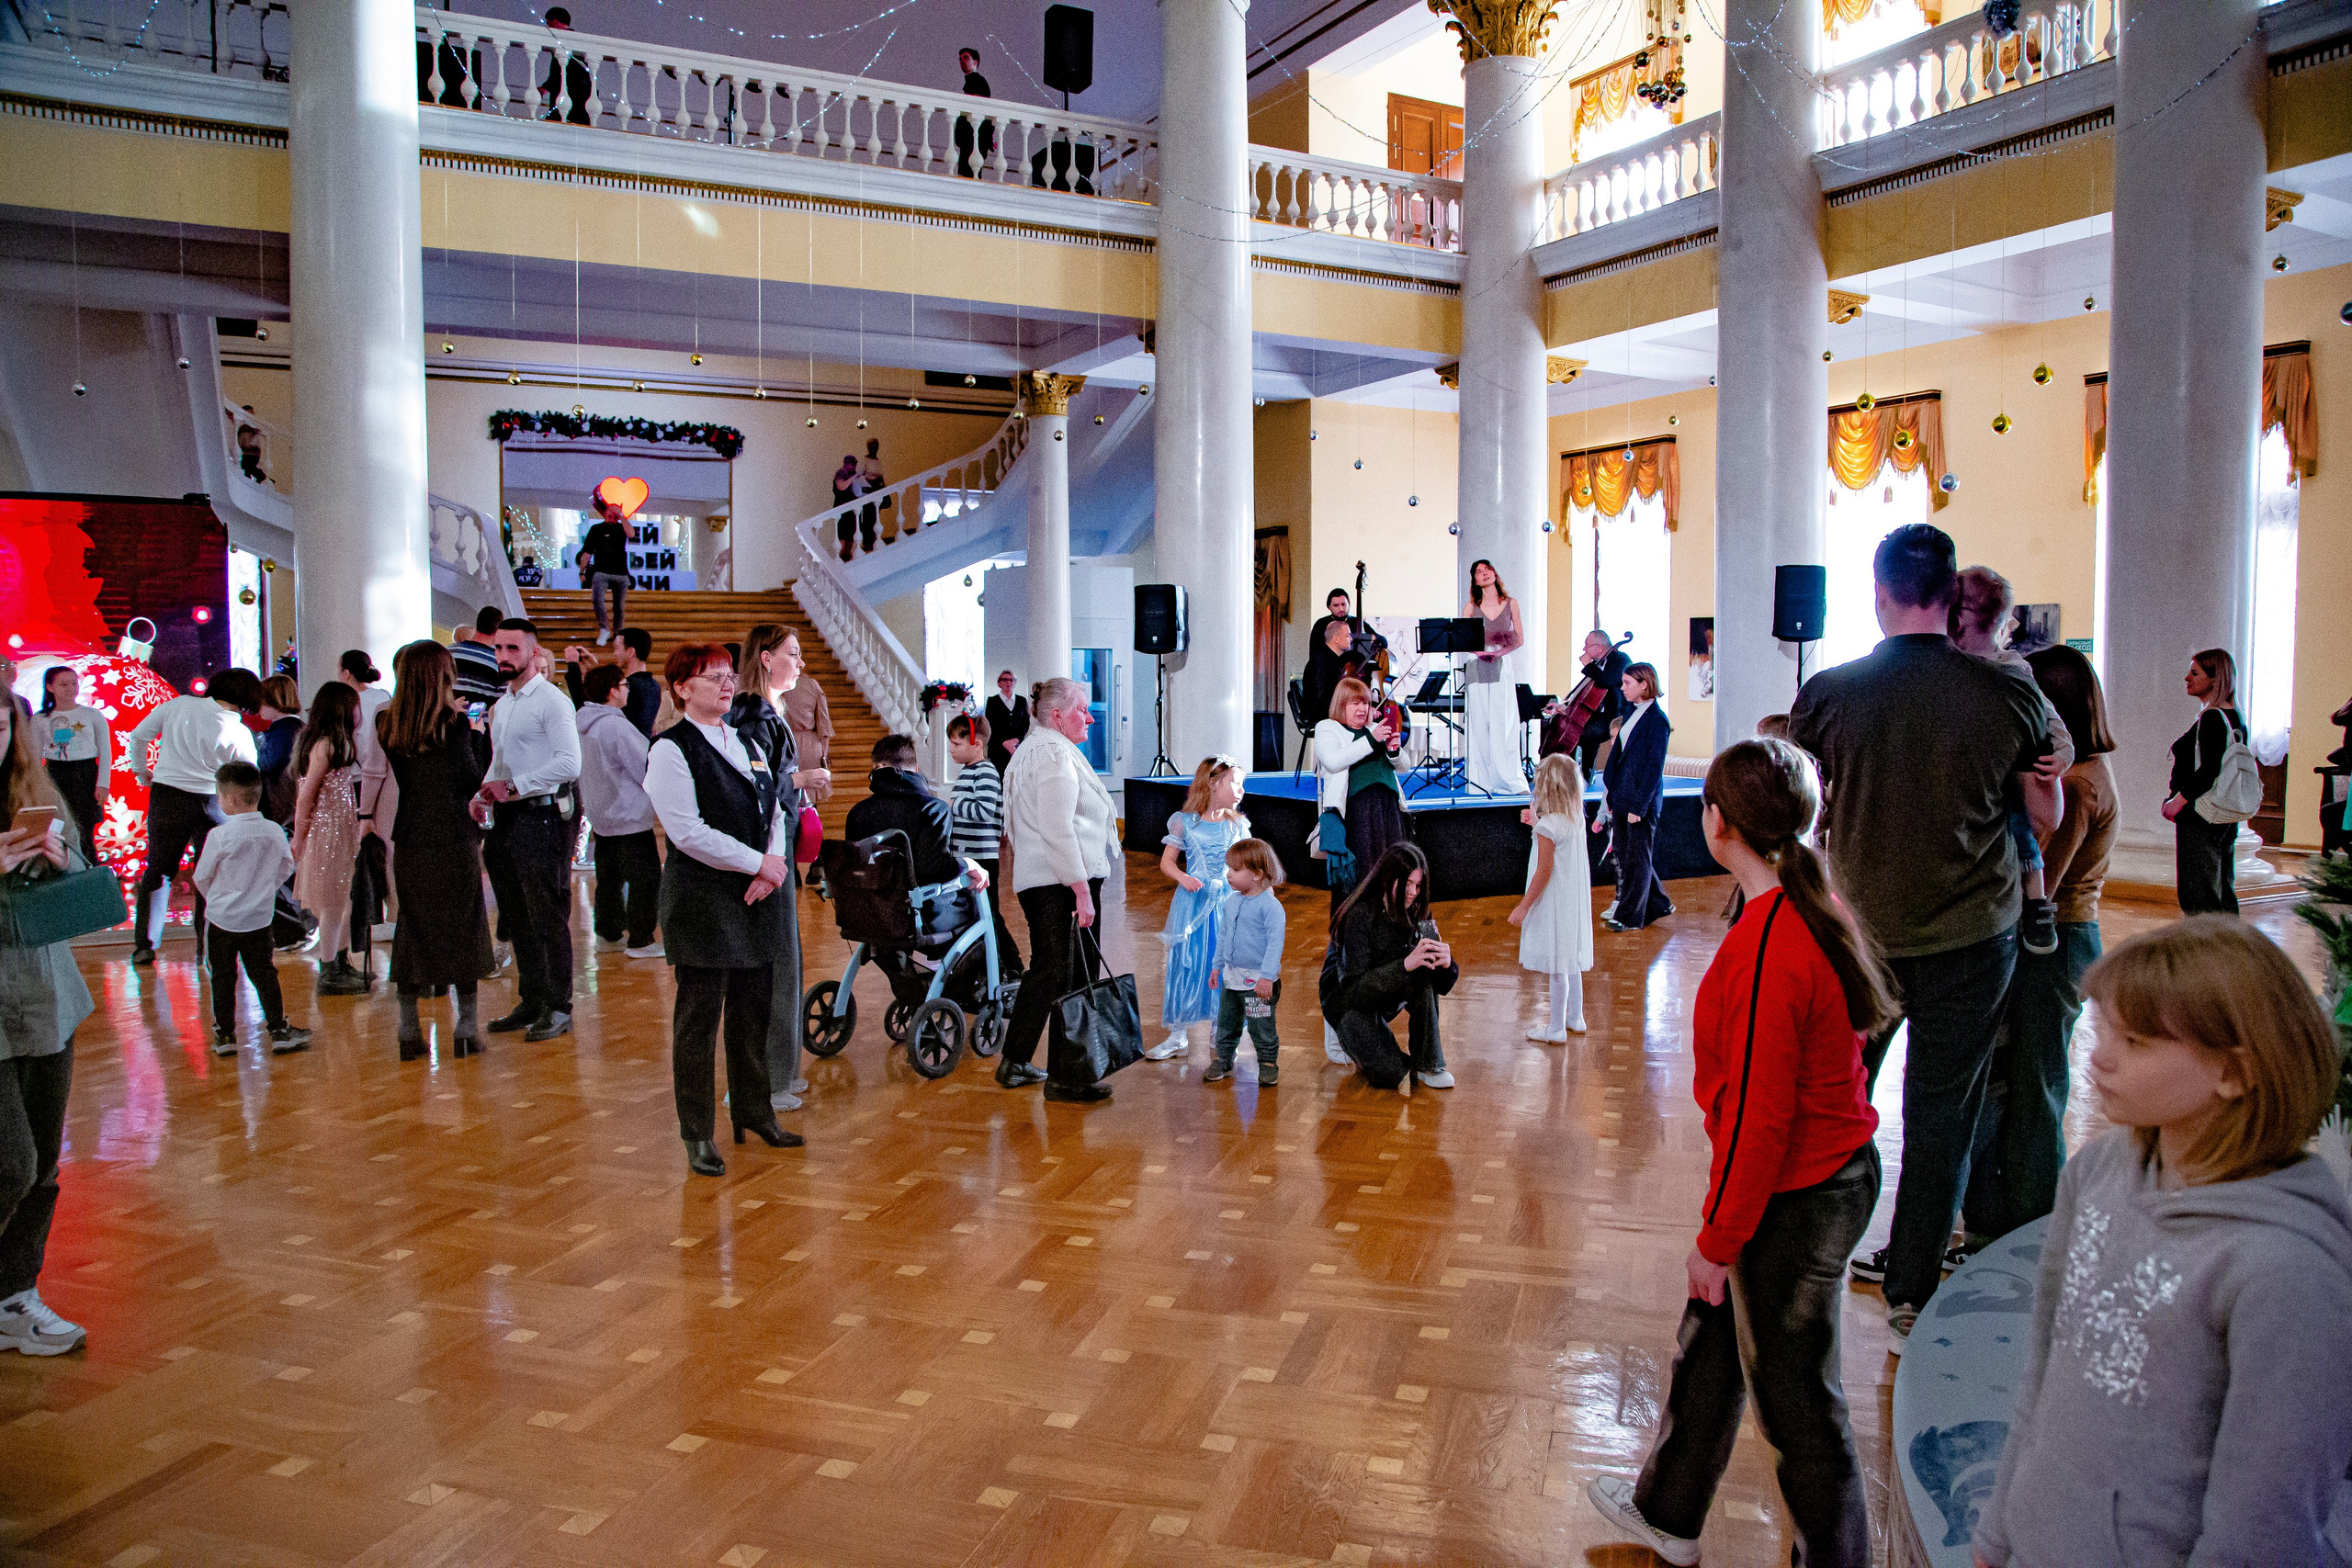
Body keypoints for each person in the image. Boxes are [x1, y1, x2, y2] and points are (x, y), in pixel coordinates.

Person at [1588, 738, 1895, 1568]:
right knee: (1714, 1337)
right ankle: (1669, 1512)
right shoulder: (1806, 898)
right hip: (1809, 1175)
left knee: (1797, 1405)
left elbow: (1762, 1118)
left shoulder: (1772, 944)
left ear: (1716, 823)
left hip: (1798, 1191)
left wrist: (1719, 1240)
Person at [1973, 918, 2352, 1568]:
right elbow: (2044, 1368)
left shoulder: (2287, 1270)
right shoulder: (2096, 1172)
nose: (2099, 1055)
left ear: (2235, 1072)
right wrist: (1999, 1532)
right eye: (2107, 1028)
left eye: (2137, 1040)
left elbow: (2264, 1521)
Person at [1786, 522, 2056, 1345]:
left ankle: (1810, 1265)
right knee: (1944, 1110)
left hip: (1863, 935)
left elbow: (1802, 810)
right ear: (1951, 597)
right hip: (1976, 938)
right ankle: (1910, 1288)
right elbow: (2044, 811)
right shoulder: (2009, 695)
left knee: (1835, 1099)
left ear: (1877, 595)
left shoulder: (1830, 692)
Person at [1963, 644, 2119, 1244]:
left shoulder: (2078, 785)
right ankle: (2015, 1216)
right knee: (2033, 1080)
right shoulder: (2092, 771)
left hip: (2060, 940)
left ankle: (2031, 1224)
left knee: (2036, 1087)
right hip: (2072, 935)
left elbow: (2044, 883)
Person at [645, 643, 802, 1176]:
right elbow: (687, 833)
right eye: (710, 676)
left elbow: (775, 806)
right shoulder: (671, 749)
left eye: (727, 674)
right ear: (682, 689)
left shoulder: (744, 740)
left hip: (754, 895)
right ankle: (697, 1133)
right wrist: (759, 864)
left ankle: (755, 1112)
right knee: (698, 1021)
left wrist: (773, 865)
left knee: (753, 1012)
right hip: (703, 902)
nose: (725, 683)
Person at [0, 699, 89, 1356]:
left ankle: (14, 1293)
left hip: (45, 996)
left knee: (44, 1164)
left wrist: (63, 864)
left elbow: (85, 900)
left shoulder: (36, 792)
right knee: (12, 1162)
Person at [998, 676, 1120, 1103]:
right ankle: (1068, 1078)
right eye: (1082, 710)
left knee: (1051, 972)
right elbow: (1057, 829)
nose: (1090, 717)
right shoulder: (1051, 754)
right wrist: (1082, 891)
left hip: (1052, 882)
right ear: (1056, 715)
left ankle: (1016, 1059)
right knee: (1069, 976)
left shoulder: (1042, 749)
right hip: (1061, 884)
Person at [379, 641, 494, 1062]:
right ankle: (465, 1026)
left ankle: (408, 1027)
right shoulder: (457, 726)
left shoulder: (386, 724)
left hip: (410, 837)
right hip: (453, 835)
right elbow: (469, 779)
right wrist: (478, 735)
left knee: (413, 926)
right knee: (464, 924)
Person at [1951, 566, 2074, 957]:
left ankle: (2037, 907)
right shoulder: (1950, 666)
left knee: (2020, 828)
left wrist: (2063, 753)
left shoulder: (2014, 669)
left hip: (2001, 780)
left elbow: (2050, 719)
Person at [730, 624, 828, 1113]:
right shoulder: (754, 715)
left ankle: (781, 1070)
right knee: (774, 959)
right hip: (766, 851)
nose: (802, 663)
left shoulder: (770, 713)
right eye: (793, 653)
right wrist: (803, 778)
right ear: (766, 658)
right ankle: (765, 1080)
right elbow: (757, 790)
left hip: (778, 848)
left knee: (785, 955)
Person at [475, 617, 582, 1042]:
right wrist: (484, 790)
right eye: (498, 648)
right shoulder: (503, 704)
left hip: (541, 817)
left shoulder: (552, 702)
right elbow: (500, 760)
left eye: (512, 649)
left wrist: (515, 786)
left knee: (547, 915)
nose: (503, 656)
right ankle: (533, 998)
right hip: (508, 820)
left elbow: (569, 764)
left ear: (533, 653)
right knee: (516, 916)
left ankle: (558, 1005)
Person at [125, 666, 260, 965]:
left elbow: (139, 735)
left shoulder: (179, 705)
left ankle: (145, 946)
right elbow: (249, 775)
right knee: (211, 876)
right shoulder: (239, 731)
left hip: (168, 795)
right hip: (216, 802)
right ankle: (208, 949)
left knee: (159, 870)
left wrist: (140, 770)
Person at [191, 761, 310, 1056]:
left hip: (221, 920)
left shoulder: (219, 836)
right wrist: (263, 891)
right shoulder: (273, 832)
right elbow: (286, 867)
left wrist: (219, 898)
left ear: (229, 799)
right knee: (264, 974)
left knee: (222, 976)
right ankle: (279, 1030)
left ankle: (225, 1036)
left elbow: (201, 877)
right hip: (258, 919)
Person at [1322, 842, 1456, 1092]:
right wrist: (1405, 965)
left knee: (1425, 972)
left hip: (1384, 988)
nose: (1413, 892)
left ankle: (1428, 1063)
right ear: (1386, 879)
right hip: (1348, 1000)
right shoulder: (1359, 915)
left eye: (1417, 885)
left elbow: (1442, 984)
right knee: (1390, 1074)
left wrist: (1447, 965)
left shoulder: (1418, 912)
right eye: (1406, 884)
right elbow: (1353, 991)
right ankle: (1343, 1033)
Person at [1148, 756, 1248, 1061]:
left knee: (1224, 962)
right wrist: (1183, 877)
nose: (1241, 790)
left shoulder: (1237, 824)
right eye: (1236, 783)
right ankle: (1178, 1035)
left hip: (1226, 904)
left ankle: (1222, 1031)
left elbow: (1248, 862)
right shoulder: (1184, 821)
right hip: (1192, 905)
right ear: (1214, 784)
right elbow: (1167, 862)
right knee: (1187, 962)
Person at [576, 664, 662, 959]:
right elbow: (645, 766)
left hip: (601, 813)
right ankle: (641, 939)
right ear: (613, 691)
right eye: (624, 685)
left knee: (609, 879)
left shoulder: (583, 722)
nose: (628, 689)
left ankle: (608, 934)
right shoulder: (615, 725)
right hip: (629, 815)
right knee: (645, 879)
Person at [1510, 751, 1593, 1040]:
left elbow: (1544, 871)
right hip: (1572, 902)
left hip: (1555, 902)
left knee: (1557, 963)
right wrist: (1536, 823)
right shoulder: (1573, 819)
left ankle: (1556, 1027)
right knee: (1570, 959)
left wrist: (1523, 906)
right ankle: (1576, 1017)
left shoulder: (1549, 826)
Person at [2165, 646, 2249, 915]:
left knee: (2199, 893)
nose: (2187, 678)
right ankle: (2228, 948)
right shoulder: (2234, 716)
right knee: (2222, 887)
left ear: (2214, 678)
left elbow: (2210, 769)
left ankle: (2205, 950)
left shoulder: (2213, 717)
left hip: (2201, 813)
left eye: (2194, 673)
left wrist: (2177, 800)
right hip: (2222, 813)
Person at [289, 682, 363, 980]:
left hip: (340, 829)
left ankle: (340, 961)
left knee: (344, 898)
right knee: (334, 900)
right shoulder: (325, 745)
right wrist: (299, 835)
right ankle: (330, 968)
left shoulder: (336, 741)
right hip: (329, 831)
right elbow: (306, 796)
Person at [1598, 662, 1674, 931]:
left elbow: (1654, 768)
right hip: (1622, 796)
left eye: (1627, 683)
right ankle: (1660, 902)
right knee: (1629, 854)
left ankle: (1630, 917)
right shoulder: (1632, 712)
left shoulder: (1657, 721)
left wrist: (1640, 806)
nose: (1622, 688)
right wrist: (1611, 792)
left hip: (1640, 800)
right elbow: (1619, 754)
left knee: (1636, 858)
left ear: (1644, 684)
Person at [1206, 838, 1285, 1085]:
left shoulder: (1270, 907)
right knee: (1227, 1022)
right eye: (1229, 868)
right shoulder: (1231, 903)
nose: (1229, 875)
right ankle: (1224, 1058)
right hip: (1232, 979)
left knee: (1260, 1025)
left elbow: (1275, 944)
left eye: (1236, 870)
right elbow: (1223, 936)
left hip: (1257, 983)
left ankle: (1268, 1062)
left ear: (1257, 874)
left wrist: (1267, 976)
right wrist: (1216, 966)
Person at [337, 649, 391, 997]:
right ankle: (380, 921)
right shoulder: (383, 698)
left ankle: (352, 944)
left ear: (344, 672)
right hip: (378, 786)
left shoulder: (344, 699)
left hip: (355, 785)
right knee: (377, 861)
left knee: (355, 869)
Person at [948, 713, 1020, 973]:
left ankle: (1011, 966)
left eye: (956, 744)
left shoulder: (986, 772)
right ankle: (986, 966)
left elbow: (985, 811)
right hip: (967, 858)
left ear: (977, 744)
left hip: (983, 859)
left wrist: (954, 806)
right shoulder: (967, 771)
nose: (951, 750)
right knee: (977, 914)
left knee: (990, 915)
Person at [843, 733, 963, 885]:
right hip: (922, 903)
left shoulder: (857, 812)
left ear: (878, 769)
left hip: (870, 905)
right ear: (916, 769)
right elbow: (932, 870)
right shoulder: (935, 809)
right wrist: (966, 864)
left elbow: (856, 868)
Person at [1461, 558, 1526, 795]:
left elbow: (1519, 638)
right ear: (1475, 581)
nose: (1485, 573)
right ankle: (1481, 782)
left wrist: (1500, 653)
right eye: (1479, 572)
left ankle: (1508, 780)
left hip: (1501, 662)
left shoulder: (1511, 603)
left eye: (1487, 569)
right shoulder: (1470, 607)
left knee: (1503, 721)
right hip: (1477, 663)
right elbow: (1463, 638)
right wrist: (1481, 653)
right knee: (1480, 721)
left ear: (1495, 574)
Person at [37, 665, 107, 864]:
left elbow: (105, 751)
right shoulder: (41, 719)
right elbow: (34, 756)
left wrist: (103, 783)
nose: (71, 688)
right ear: (50, 687)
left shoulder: (92, 715)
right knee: (58, 825)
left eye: (74, 683)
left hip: (86, 774)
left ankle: (89, 871)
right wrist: (39, 787)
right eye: (64, 684)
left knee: (85, 828)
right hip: (56, 774)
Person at [1574, 629, 1632, 778]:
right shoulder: (1599, 664)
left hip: (1618, 715)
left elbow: (1607, 680)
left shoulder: (1620, 659)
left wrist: (1588, 666)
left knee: (1587, 734)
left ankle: (1586, 774)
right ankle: (1577, 774)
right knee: (1577, 731)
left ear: (1599, 648)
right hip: (1604, 713)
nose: (1584, 649)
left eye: (1587, 645)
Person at [579, 492, 633, 646]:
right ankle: (604, 628)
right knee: (597, 600)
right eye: (609, 509)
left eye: (614, 509)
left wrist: (621, 515)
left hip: (621, 573)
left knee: (619, 606)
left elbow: (631, 533)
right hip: (601, 571)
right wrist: (581, 572)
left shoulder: (621, 528)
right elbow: (587, 552)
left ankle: (618, 633)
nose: (611, 511)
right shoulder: (596, 529)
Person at [1299, 615, 1363, 739]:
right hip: (1319, 713)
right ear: (1336, 639)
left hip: (1325, 708)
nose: (1351, 639)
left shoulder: (1333, 660)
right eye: (1347, 635)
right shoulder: (1321, 661)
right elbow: (1321, 698)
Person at [252, 672, 303, 826]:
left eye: (262, 701)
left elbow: (271, 764)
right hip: (287, 801)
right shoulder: (294, 727)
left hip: (281, 802)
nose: (258, 707)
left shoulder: (284, 731)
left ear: (274, 701)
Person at [779, 660, 833, 802]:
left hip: (783, 743)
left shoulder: (771, 683)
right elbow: (824, 725)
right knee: (808, 804)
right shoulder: (811, 684)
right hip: (811, 747)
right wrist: (824, 756)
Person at [538, 6, 594, 125]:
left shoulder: (563, 41)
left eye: (549, 24)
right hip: (579, 95)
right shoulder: (577, 39)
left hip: (569, 94)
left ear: (555, 21)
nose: (548, 28)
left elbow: (558, 70)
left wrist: (545, 87)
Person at [450, 605, 505, 715]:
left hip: (448, 725)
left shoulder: (448, 653)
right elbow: (501, 704)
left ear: (477, 625)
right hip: (481, 727)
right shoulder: (499, 662)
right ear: (498, 632)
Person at [953, 46, 996, 178]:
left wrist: (988, 136)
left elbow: (985, 110)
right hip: (969, 138)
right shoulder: (973, 82)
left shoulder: (978, 82)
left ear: (975, 62)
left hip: (973, 138)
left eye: (966, 58)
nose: (962, 61)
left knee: (969, 174)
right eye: (960, 59)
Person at [983, 670, 1029, 774]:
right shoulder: (992, 701)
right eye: (1005, 680)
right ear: (999, 683)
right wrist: (1004, 742)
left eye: (1011, 680)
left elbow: (1025, 723)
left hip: (1016, 747)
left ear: (1014, 683)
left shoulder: (1021, 701)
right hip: (998, 748)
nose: (1008, 682)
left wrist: (1017, 740)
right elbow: (991, 724)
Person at [856, 439, 888, 552]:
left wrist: (884, 488)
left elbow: (881, 477)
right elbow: (859, 476)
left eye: (875, 447)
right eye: (872, 446)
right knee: (867, 519)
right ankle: (867, 542)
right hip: (867, 493)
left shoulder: (878, 461)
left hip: (877, 493)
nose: (874, 449)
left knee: (875, 518)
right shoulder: (864, 461)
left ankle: (874, 540)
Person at [831, 454, 862, 562]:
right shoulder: (841, 473)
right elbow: (842, 486)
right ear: (845, 464)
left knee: (852, 542)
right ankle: (840, 564)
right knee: (843, 542)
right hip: (842, 512)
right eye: (850, 464)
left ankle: (848, 563)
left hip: (852, 512)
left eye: (854, 464)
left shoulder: (855, 475)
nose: (852, 466)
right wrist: (855, 477)